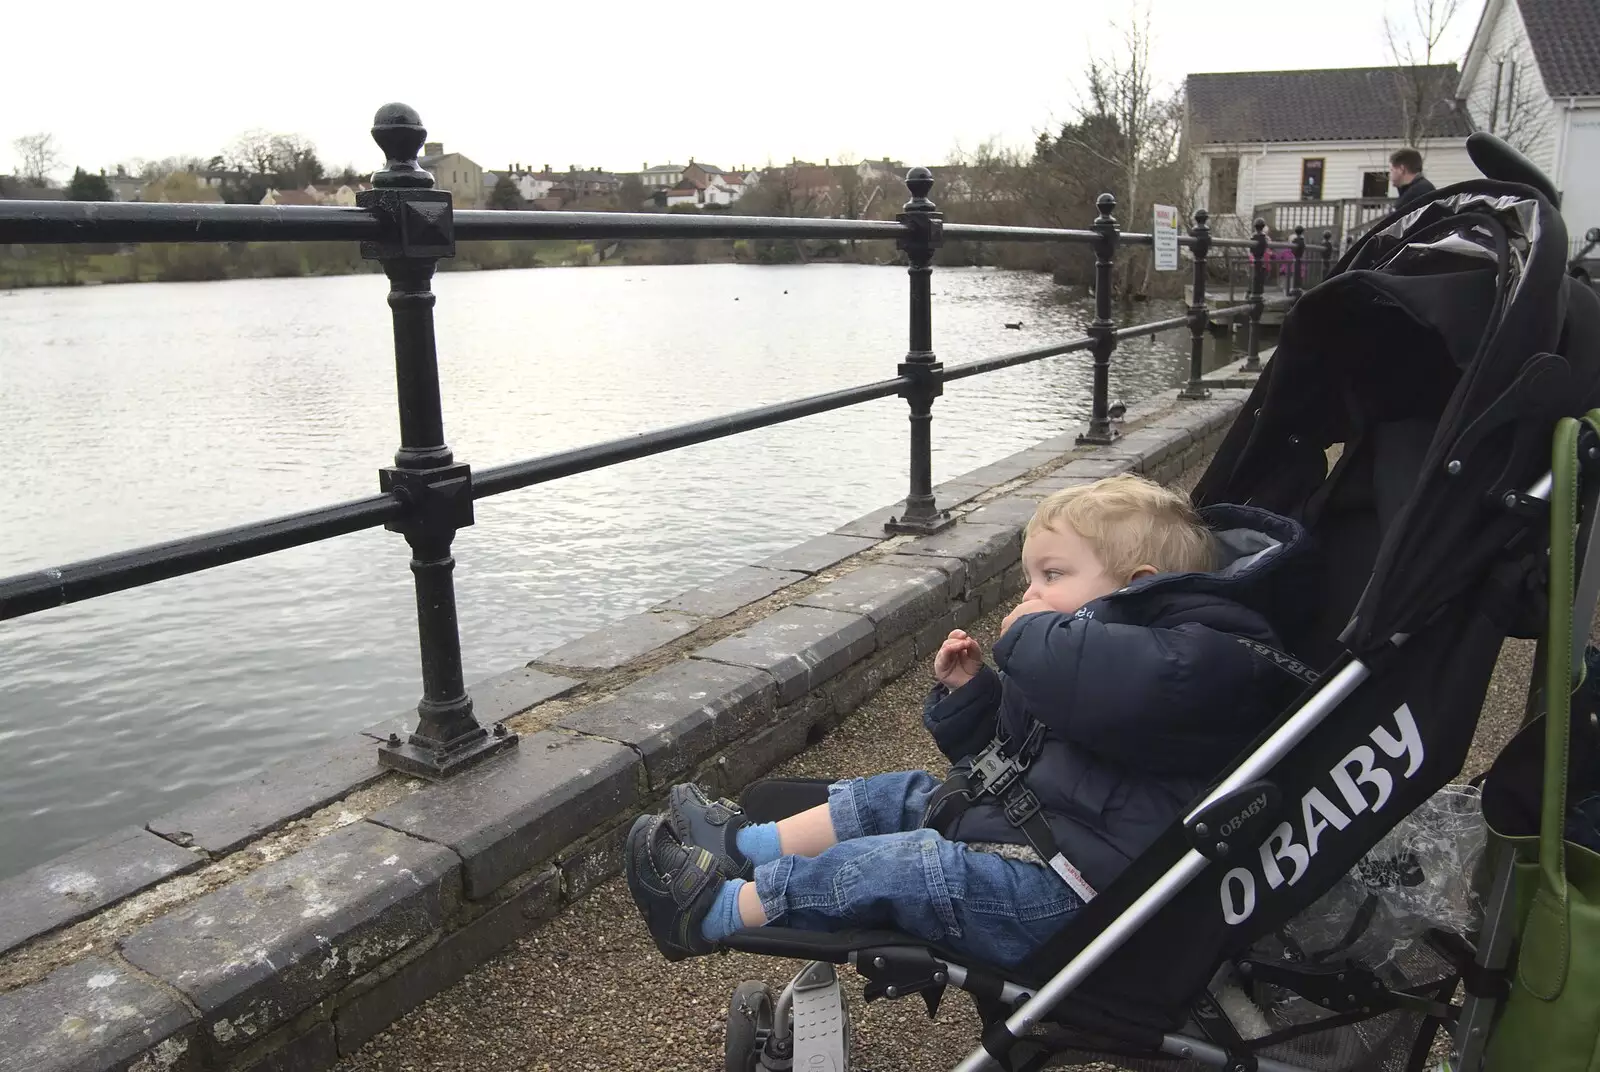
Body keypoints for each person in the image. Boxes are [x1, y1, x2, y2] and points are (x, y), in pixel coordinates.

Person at [624, 474, 1309, 968]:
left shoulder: (1202, 661)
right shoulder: (1101, 665)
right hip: (1046, 834)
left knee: (906, 866)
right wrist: (972, 696)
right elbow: (1016, 746)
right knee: (905, 793)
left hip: (1075, 898)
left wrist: (1033, 638)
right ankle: (745, 847)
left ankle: (708, 914)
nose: (1030, 595)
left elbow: (1122, 687)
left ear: (1135, 585)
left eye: (1050, 574)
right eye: (1028, 579)